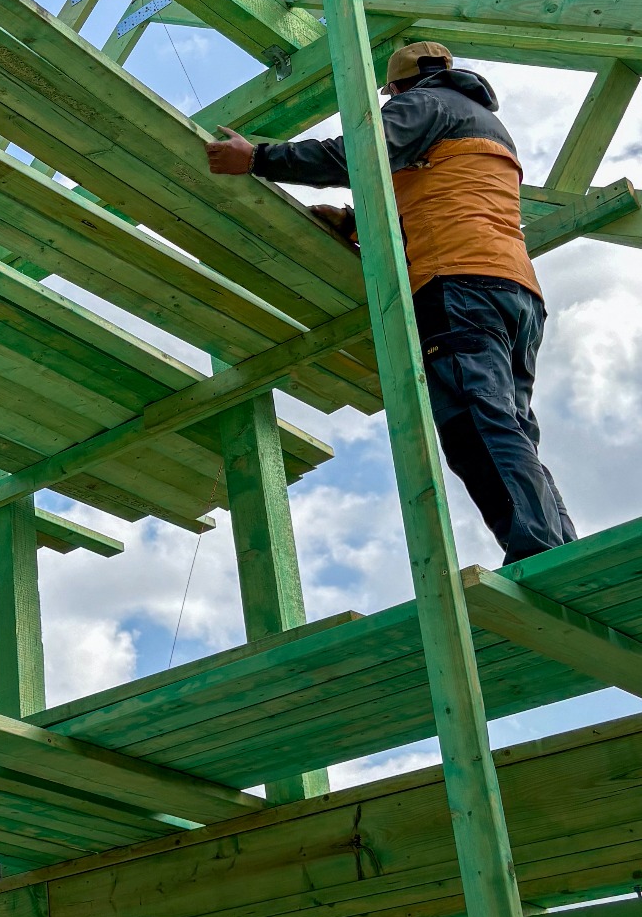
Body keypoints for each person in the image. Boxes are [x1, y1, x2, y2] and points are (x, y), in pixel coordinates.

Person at [204, 40, 574, 564]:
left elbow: (358, 152)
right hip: (511, 290)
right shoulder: (478, 124)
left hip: (457, 285)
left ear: (398, 87)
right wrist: (354, 224)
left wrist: (258, 159)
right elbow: (435, 200)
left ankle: (537, 551)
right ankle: (558, 546)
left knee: (475, 422)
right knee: (507, 425)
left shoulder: (425, 104)